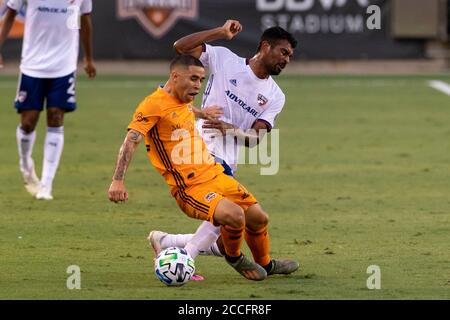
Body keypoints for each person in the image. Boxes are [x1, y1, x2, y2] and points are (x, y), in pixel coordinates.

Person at [108, 54, 298, 281]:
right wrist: (117, 180)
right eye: (193, 79)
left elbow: (185, 110)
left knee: (259, 218)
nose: (198, 85)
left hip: (214, 174)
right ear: (175, 76)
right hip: (189, 187)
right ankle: (234, 257)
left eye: (201, 79)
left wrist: (203, 113)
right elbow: (132, 139)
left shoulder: (181, 99)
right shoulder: (152, 105)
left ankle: (265, 264)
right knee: (235, 216)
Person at [147, 21, 298, 277]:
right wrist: (219, 33)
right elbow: (180, 48)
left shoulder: (275, 95)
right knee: (230, 212)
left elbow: (255, 137)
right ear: (265, 46)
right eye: (283, 52)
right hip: (200, 145)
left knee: (256, 219)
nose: (286, 60)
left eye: (290, 56)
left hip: (230, 157)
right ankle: (188, 258)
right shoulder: (225, 59)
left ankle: (169, 242)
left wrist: (229, 128)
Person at [0, 0, 96, 200]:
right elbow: (9, 15)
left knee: (55, 117)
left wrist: (88, 58)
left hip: (64, 65)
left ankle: (46, 184)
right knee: (28, 122)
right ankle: (26, 164)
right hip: (32, 65)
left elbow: (85, 20)